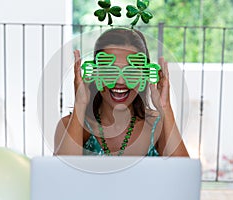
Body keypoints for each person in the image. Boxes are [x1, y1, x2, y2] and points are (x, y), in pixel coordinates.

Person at [54, 28, 189, 157]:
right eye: (110, 71)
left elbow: (184, 176)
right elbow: (61, 176)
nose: (120, 81)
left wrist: (165, 108)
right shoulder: (69, 125)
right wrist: (80, 104)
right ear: (95, 73)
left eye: (130, 72)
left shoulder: (159, 126)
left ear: (144, 75)